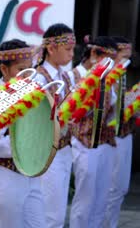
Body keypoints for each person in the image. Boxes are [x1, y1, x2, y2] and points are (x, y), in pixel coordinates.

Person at [0, 39, 46, 228]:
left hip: (31, 175)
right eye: (21, 69)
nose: (27, 75)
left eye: (30, 69)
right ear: (4, 69)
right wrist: (28, 145)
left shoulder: (31, 92)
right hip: (6, 177)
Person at [68, 36, 118, 228]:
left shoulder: (108, 78)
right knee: (85, 199)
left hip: (105, 142)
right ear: (94, 54)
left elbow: (111, 108)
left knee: (101, 198)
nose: (113, 65)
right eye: (109, 59)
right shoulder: (76, 75)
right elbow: (73, 111)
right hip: (83, 142)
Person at [35, 23, 75, 228]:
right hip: (49, 151)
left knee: (57, 213)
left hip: (65, 148)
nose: (71, 54)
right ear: (51, 49)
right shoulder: (40, 77)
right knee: (51, 215)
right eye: (68, 49)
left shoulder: (65, 76)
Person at [104, 36, 134, 228]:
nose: (127, 61)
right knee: (110, 189)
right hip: (109, 137)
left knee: (120, 188)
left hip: (124, 134)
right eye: (124, 56)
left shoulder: (121, 75)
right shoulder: (104, 76)